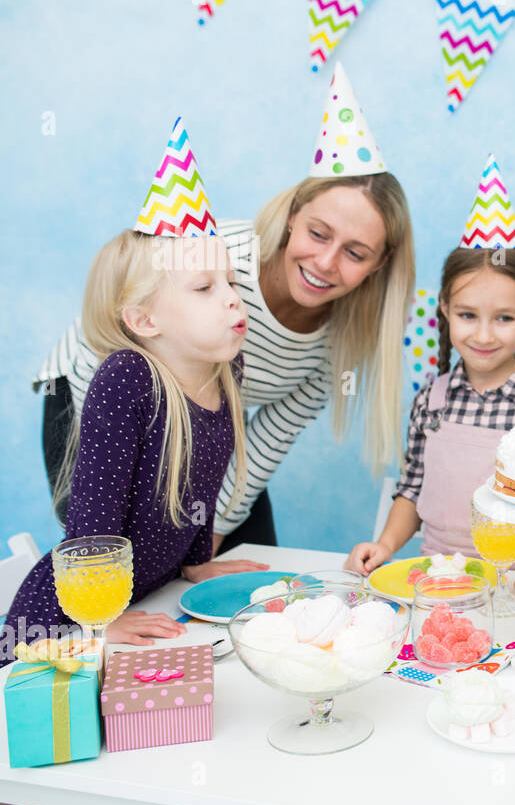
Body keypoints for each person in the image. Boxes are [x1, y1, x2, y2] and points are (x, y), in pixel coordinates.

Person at [36, 65, 414, 551]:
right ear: (294, 214)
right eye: (318, 233)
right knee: (120, 559)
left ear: (380, 265)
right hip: (94, 393)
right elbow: (109, 334)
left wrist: (211, 534)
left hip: (208, 425)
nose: (325, 261)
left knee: (250, 561)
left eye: (355, 252)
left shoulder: (342, 341)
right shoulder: (222, 258)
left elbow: (264, 440)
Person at [4, 120, 266, 661]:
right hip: (62, 622)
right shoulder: (127, 379)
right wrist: (100, 620)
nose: (232, 300)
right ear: (144, 320)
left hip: (154, 592)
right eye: (203, 288)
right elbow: (92, 513)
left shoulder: (226, 370)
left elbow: (200, 487)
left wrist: (196, 561)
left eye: (232, 283)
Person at [345, 157, 515, 586]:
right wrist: (386, 546)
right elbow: (412, 490)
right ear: (446, 310)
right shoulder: (432, 400)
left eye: (503, 318)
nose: (484, 335)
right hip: (437, 579)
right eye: (468, 315)